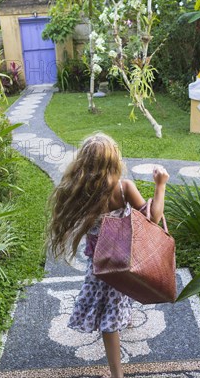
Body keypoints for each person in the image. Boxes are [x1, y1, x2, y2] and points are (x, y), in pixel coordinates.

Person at [47, 133, 169, 378]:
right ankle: (117, 374)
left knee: (115, 300)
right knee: (110, 322)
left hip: (99, 264)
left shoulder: (80, 191)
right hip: (124, 261)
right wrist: (160, 184)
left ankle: (124, 317)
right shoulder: (123, 189)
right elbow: (153, 218)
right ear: (114, 161)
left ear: (84, 162)